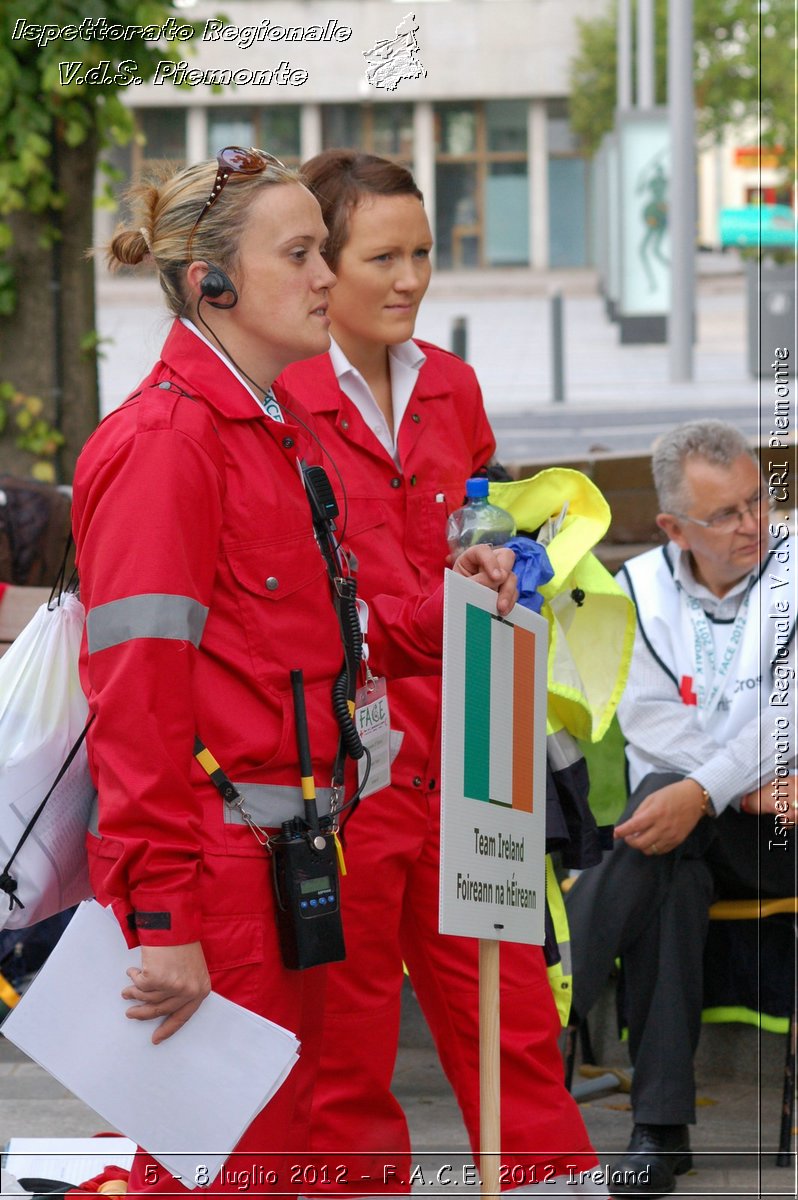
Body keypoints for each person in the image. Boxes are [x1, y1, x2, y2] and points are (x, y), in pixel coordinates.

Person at [71, 147, 517, 1198]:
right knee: (225, 1174)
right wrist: (166, 921)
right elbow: (134, 702)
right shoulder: (169, 444)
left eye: (324, 251)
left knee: (282, 1156)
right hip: (223, 883)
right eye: (303, 252)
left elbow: (336, 630)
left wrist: (456, 606)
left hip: (294, 863)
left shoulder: (275, 428)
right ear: (209, 282)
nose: (329, 278)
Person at [277, 149, 603, 1196]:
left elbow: (474, 518)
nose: (412, 278)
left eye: (423, 252)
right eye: (385, 256)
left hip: (477, 749)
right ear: (322, 265)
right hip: (347, 778)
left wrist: (512, 549)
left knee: (510, 1024)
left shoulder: (451, 385)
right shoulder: (277, 394)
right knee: (349, 1054)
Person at [565, 420, 797, 1198]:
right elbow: (649, 725)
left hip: (783, 830)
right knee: (669, 865)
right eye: (725, 514)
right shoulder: (634, 590)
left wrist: (707, 787)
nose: (754, 523)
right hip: (695, 825)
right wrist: (729, 782)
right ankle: (658, 1130)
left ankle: (548, 1000)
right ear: (672, 527)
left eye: (757, 498)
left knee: (664, 817)